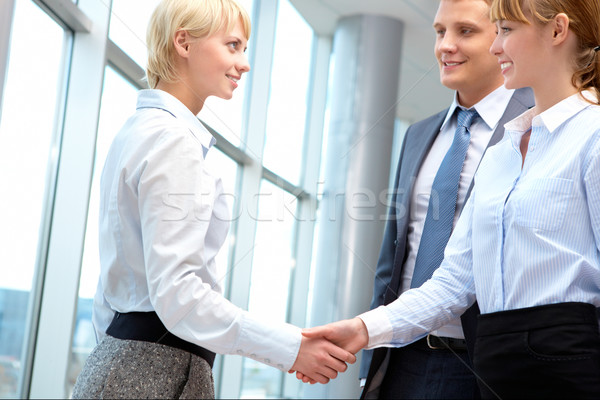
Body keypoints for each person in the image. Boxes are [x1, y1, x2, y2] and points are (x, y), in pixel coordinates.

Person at [302, 0, 600, 398]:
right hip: (499, 368)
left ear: (558, 31)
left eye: (506, 30)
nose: (497, 47)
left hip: (571, 369)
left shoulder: (592, 136)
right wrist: (362, 329)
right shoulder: (503, 154)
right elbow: (454, 282)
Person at [71, 0, 355, 398]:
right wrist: (291, 349)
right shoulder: (173, 140)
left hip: (123, 362)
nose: (244, 63)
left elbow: (111, 287)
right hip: (155, 372)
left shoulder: (138, 130)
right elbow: (180, 296)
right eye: (233, 46)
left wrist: (118, 359)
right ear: (183, 43)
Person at [359, 0, 533, 398]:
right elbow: (392, 257)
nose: (445, 46)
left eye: (465, 31)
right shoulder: (418, 134)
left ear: (502, 38)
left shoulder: (536, 126)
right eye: (440, 31)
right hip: (401, 358)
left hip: (483, 365)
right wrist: (372, 363)